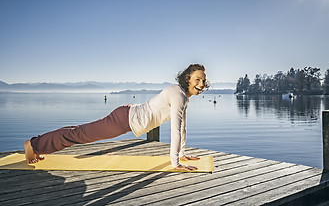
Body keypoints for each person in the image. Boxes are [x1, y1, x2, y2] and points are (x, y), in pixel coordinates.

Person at [24, 64, 210, 171]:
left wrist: (182, 154)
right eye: (197, 79)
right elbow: (175, 130)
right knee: (80, 134)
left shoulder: (183, 97)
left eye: (203, 80)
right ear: (187, 78)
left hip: (127, 116)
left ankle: (39, 144)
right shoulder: (178, 94)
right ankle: (33, 145)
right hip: (123, 119)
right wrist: (175, 163)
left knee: (79, 132)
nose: (201, 84)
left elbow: (182, 127)